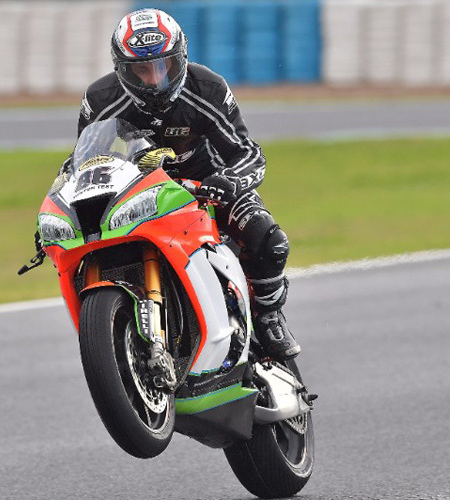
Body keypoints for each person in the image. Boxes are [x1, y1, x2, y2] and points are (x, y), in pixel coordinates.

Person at [67, 8, 300, 360]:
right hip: (140, 192)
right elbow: (80, 164)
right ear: (121, 69)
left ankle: (268, 315)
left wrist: (230, 182)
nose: (153, 79)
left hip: (206, 188)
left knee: (269, 239)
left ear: (182, 59)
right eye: (140, 71)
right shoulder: (100, 99)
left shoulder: (208, 88)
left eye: (164, 66)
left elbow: (248, 153)